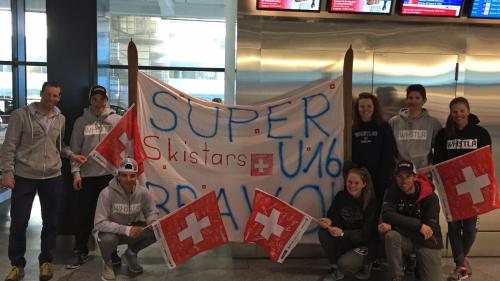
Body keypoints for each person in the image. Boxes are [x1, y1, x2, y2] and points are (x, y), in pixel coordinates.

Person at [1, 81, 86, 281]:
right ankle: (17, 264)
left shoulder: (61, 118)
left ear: (59, 97)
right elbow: (9, 146)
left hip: (52, 178)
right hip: (24, 177)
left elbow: (59, 145)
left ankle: (46, 262)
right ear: (41, 94)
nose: (52, 99)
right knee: (19, 223)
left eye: (56, 96)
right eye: (49, 95)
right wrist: (7, 173)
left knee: (51, 223)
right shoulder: (21, 115)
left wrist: (71, 155)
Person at [433, 97, 492, 281]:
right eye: (455, 111)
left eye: (462, 110)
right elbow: (438, 162)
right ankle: (460, 265)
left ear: (468, 110)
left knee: (469, 229)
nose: (459, 114)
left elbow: (486, 160)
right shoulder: (443, 135)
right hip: (452, 188)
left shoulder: (480, 133)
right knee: (453, 225)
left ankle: (461, 258)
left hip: (474, 186)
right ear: (451, 113)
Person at [65, 85, 122, 269]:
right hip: (87, 177)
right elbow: (75, 149)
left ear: (107, 100)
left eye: (102, 99)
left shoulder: (116, 121)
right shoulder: (81, 122)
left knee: (112, 217)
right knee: (83, 216)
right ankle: (81, 251)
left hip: (110, 177)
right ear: (90, 100)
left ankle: (112, 252)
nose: (98, 102)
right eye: (95, 99)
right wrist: (76, 174)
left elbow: (125, 146)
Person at [94, 157, 159, 281]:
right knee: (108, 239)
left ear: (136, 176)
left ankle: (131, 254)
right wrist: (126, 229)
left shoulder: (143, 193)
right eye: (124, 175)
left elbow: (151, 212)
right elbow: (99, 223)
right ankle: (107, 262)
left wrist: (152, 221)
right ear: (118, 176)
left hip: (131, 229)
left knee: (156, 231)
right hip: (111, 233)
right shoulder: (106, 193)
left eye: (132, 176)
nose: (128, 179)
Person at [379, 161, 443, 281]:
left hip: (427, 242)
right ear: (395, 177)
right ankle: (397, 277)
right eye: (400, 176)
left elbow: (428, 230)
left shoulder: (430, 197)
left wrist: (394, 226)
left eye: (408, 176)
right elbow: (387, 214)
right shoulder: (392, 191)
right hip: (407, 240)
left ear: (415, 177)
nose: (403, 180)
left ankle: (416, 264)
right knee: (391, 236)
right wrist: (418, 225)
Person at [318, 168, 378, 281]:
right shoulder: (341, 196)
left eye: (356, 183)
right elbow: (333, 216)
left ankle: (366, 263)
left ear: (364, 184)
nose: (352, 186)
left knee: (345, 265)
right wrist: (329, 222)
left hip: (365, 244)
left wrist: (342, 233)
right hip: (346, 240)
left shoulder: (371, 202)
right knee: (323, 231)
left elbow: (366, 235)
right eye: (349, 182)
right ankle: (335, 268)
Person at [352, 92, 396, 211]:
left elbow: (388, 153)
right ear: (357, 108)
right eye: (362, 106)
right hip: (359, 179)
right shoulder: (352, 127)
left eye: (369, 106)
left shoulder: (384, 127)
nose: (365, 109)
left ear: (374, 107)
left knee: (378, 209)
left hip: (380, 178)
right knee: (361, 209)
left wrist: (386, 176)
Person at [388, 84, 441, 177]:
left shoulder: (433, 123)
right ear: (406, 99)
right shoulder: (394, 122)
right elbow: (389, 149)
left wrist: (429, 167)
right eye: (410, 98)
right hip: (401, 175)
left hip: (424, 174)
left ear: (424, 100)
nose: (413, 101)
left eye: (417, 98)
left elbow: (440, 150)